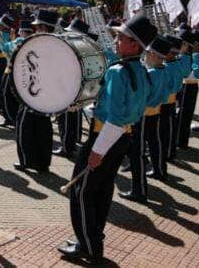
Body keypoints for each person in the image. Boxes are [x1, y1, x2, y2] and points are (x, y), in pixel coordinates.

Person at [59, 15, 155, 264]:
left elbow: (114, 117)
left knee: (81, 192)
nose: (116, 41)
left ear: (135, 45)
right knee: (101, 191)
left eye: (121, 38)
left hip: (104, 137)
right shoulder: (141, 70)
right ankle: (91, 238)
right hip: (123, 137)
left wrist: (98, 150)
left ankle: (89, 246)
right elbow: (128, 109)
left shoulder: (118, 71)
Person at [120, 35, 170, 203]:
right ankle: (160, 170)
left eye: (148, 53)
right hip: (155, 113)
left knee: (137, 153)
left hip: (142, 115)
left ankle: (139, 190)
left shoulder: (149, 73)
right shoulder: (165, 70)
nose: (145, 56)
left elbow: (142, 96)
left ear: (155, 55)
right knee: (155, 143)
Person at [14, 10, 60, 173]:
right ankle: (42, 163)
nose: (36, 29)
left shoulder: (41, 43)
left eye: (39, 26)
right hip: (46, 93)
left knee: (24, 125)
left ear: (45, 27)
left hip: (34, 92)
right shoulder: (57, 44)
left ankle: (27, 161)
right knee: (43, 128)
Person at [53, 18, 92, 158]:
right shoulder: (82, 47)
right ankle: (70, 144)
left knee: (66, 120)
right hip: (74, 89)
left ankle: (67, 147)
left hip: (70, 89)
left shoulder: (77, 48)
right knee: (71, 118)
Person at [176, 32, 199, 150]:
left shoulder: (189, 56)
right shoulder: (192, 56)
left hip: (188, 86)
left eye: (181, 44)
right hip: (190, 86)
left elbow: (197, 73)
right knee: (185, 115)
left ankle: (180, 141)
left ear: (186, 45)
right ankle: (182, 142)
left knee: (183, 115)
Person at [1, 20, 33, 127]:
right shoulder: (33, 41)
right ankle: (12, 118)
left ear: (22, 31)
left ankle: (11, 118)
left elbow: (5, 47)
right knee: (14, 96)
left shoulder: (19, 41)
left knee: (7, 94)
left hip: (13, 71)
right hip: (22, 72)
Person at [161, 34, 183, 161]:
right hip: (169, 100)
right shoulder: (173, 64)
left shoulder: (169, 67)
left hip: (167, 101)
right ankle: (168, 151)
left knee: (166, 129)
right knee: (167, 128)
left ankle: (168, 152)